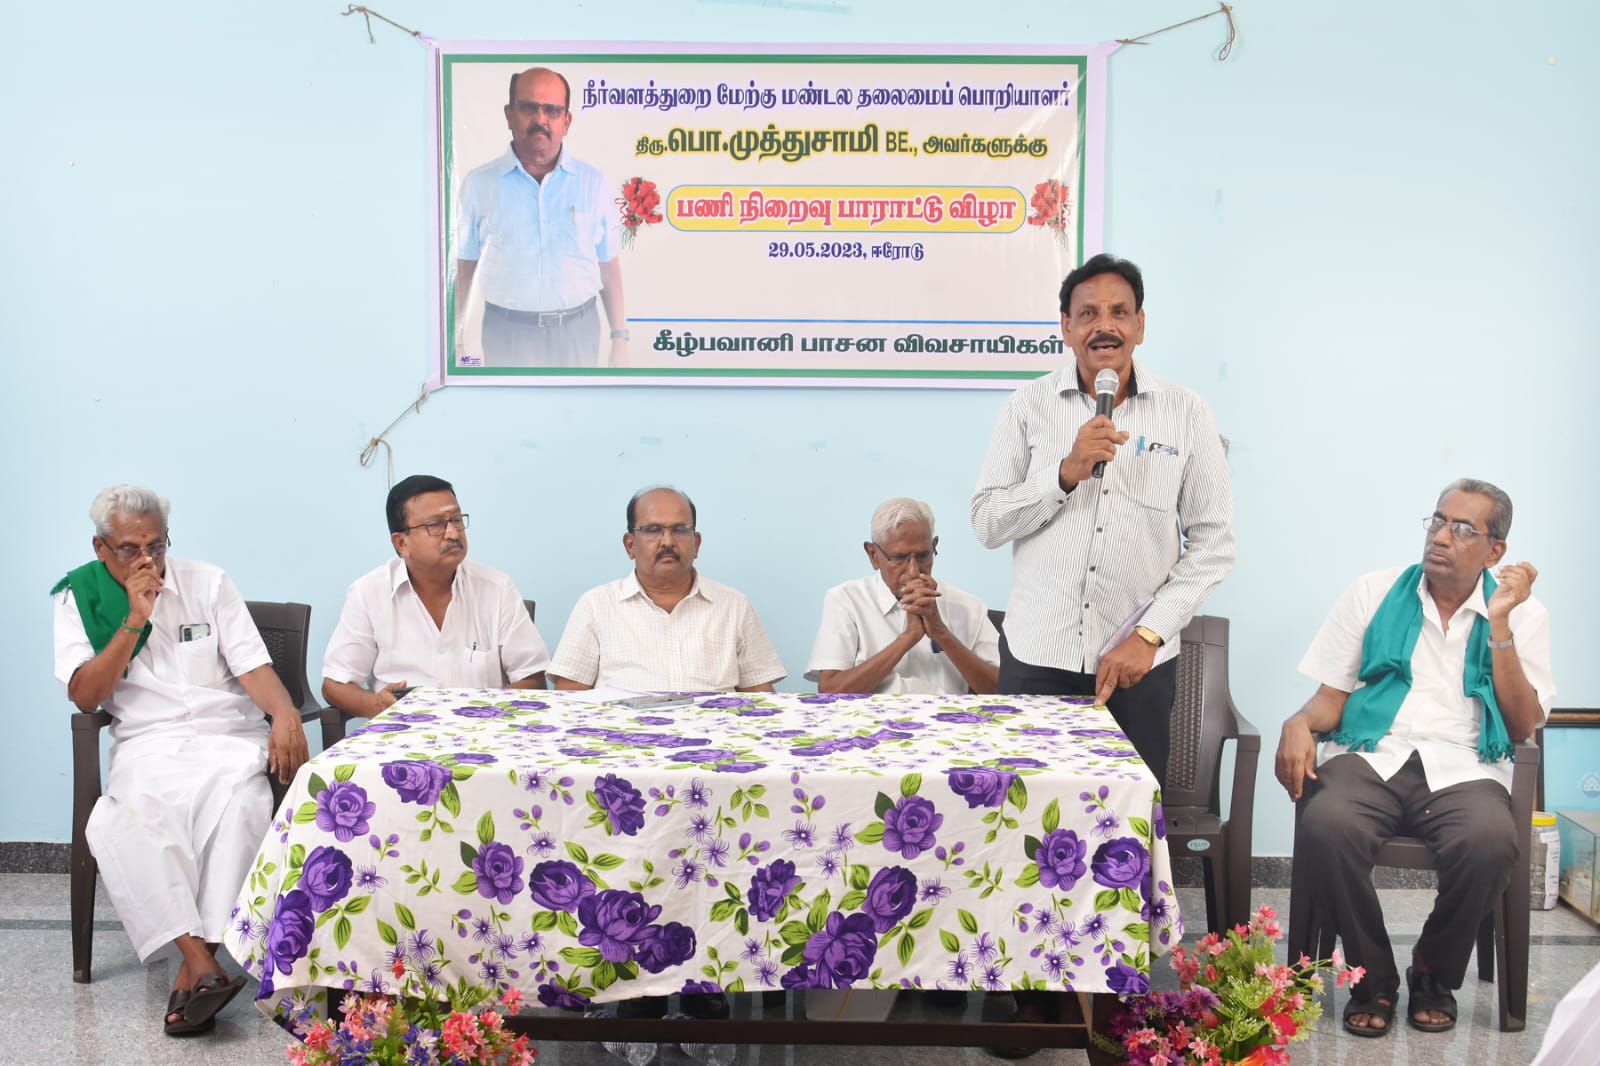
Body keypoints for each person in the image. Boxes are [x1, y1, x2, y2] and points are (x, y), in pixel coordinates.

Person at [1276, 479, 1554, 1038]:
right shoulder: (1374, 591)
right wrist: (1298, 722)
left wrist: (1499, 623)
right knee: (1327, 825)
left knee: (1490, 842)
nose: (1441, 537)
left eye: (1462, 529)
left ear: (1494, 550)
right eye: (1438, 521)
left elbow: (1523, 725)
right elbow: (1332, 697)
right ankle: (1372, 978)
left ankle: (1432, 969)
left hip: (1466, 766)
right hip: (1371, 753)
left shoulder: (1524, 614)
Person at [51, 485, 309, 1037]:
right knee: (129, 819)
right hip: (149, 743)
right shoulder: (79, 598)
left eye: (156, 544)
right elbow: (86, 695)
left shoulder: (208, 582)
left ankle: (199, 971)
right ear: (101, 548)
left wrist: (285, 711)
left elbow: (253, 666)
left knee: (243, 808)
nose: (147, 559)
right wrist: (134, 618)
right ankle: (200, 961)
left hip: (227, 738)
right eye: (130, 548)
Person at [971, 253, 1235, 787]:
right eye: (1088, 313)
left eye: (1119, 312)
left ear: (1140, 324)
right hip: (1036, 659)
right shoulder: (1027, 406)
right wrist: (1064, 474)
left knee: (1125, 821)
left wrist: (1149, 635)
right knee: (1024, 816)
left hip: (1137, 666)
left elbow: (1214, 544)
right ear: (1066, 327)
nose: (1104, 326)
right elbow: (987, 522)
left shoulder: (1187, 412)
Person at [322, 474, 549, 719]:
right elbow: (335, 684)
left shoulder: (497, 588)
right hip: (402, 733)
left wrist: (484, 714)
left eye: (456, 520)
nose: (452, 533)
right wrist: (376, 705)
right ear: (401, 543)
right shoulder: (368, 593)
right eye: (435, 524)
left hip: (483, 730)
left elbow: (533, 678)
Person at [454, 66, 628, 368]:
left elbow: (608, 266)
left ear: (567, 121)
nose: (540, 119)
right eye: (528, 108)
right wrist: (455, 340)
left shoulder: (593, 184)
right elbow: (463, 266)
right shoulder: (479, 185)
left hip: (578, 333)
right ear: (509, 115)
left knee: (582, 400)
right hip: (505, 335)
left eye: (552, 110)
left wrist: (620, 338)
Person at [550, 486, 784, 694]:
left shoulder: (733, 605)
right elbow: (569, 696)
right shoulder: (597, 605)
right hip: (624, 727)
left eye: (680, 530)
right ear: (630, 545)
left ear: (696, 544)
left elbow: (760, 694)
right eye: (652, 530)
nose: (668, 542)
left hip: (716, 727)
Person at [806, 496, 999, 694]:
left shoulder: (969, 606)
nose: (914, 571)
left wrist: (941, 632)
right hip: (874, 714)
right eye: (899, 558)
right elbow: (830, 691)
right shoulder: (846, 600)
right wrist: (909, 637)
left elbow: (1003, 690)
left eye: (923, 556)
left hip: (950, 713)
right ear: (873, 555)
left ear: (934, 546)